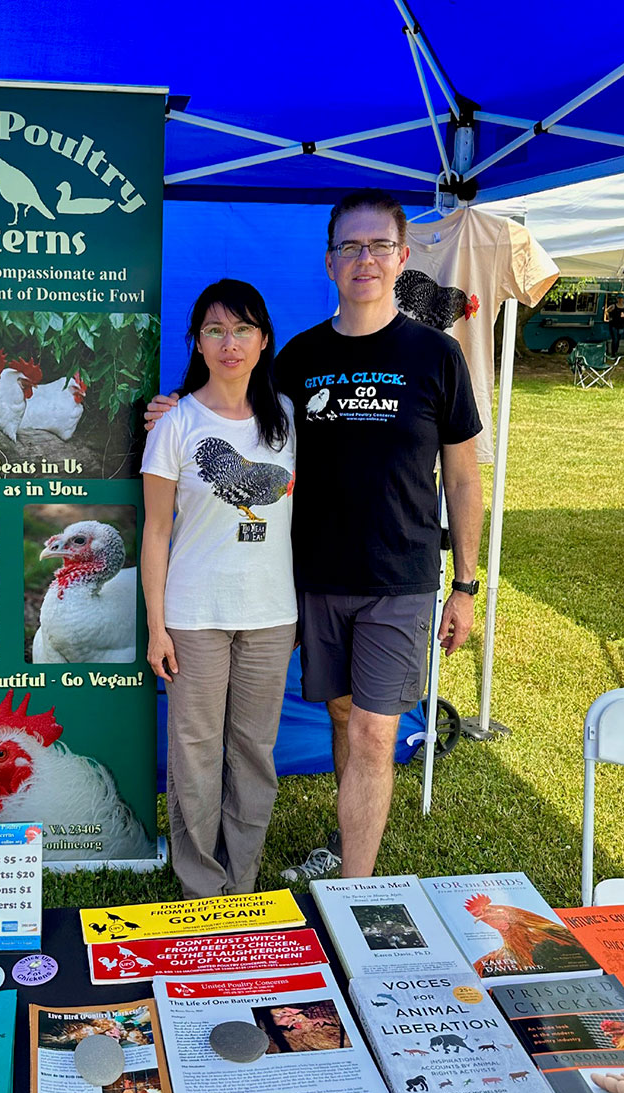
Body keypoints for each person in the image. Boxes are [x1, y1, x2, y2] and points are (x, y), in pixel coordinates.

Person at [146, 189, 484, 882]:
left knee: (371, 727)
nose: (365, 259)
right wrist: (174, 407)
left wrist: (468, 585)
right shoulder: (300, 358)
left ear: (403, 256)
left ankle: (355, 891)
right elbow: (236, 407)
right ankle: (321, 846)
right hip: (316, 582)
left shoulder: (436, 356)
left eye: (379, 246)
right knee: (338, 714)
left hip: (400, 577)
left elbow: (464, 480)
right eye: (350, 247)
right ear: (329, 262)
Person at [141, 279, 296, 899]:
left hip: (269, 614)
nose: (229, 343)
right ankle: (202, 886)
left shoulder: (286, 418)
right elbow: (156, 532)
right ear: (197, 343)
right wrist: (157, 625)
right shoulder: (175, 424)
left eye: (242, 330)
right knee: (196, 752)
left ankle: (245, 879)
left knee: (254, 750)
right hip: (194, 615)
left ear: (263, 341)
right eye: (214, 330)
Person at [604, 293, 624, 358]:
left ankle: (616, 351)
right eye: (619, 298)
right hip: (613, 324)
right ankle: (613, 353)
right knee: (615, 339)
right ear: (617, 299)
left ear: (623, 299)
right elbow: (606, 311)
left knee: (618, 339)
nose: (620, 300)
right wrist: (609, 317)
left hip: (621, 325)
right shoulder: (614, 306)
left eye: (621, 298)